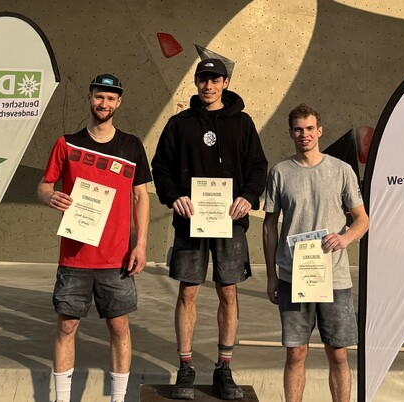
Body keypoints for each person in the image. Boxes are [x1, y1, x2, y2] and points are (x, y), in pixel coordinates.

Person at [151, 58, 267, 400]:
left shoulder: (243, 124)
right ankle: (185, 367)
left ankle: (223, 368)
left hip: (230, 223)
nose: (208, 85)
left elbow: (258, 167)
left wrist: (248, 196)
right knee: (188, 292)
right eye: (203, 79)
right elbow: (161, 168)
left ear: (226, 82)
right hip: (191, 223)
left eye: (214, 79)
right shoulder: (179, 124)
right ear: (197, 82)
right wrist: (174, 197)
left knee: (228, 292)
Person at [37, 73, 151, 402]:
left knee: (119, 328)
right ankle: (61, 398)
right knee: (67, 326)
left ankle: (117, 399)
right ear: (90, 98)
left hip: (116, 257)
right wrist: (49, 197)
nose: (105, 103)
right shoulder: (67, 143)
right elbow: (44, 186)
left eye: (111, 98)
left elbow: (141, 198)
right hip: (74, 256)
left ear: (119, 103)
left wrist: (140, 244)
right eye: (99, 97)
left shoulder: (131, 146)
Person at [262, 104, 369, 402]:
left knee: (337, 353)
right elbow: (269, 226)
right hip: (294, 278)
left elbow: (363, 219)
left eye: (310, 128)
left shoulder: (341, 170)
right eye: (298, 129)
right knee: (296, 353)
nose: (304, 134)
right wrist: (271, 275)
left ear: (320, 131)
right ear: (290, 133)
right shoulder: (280, 173)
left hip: (334, 278)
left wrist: (346, 238)